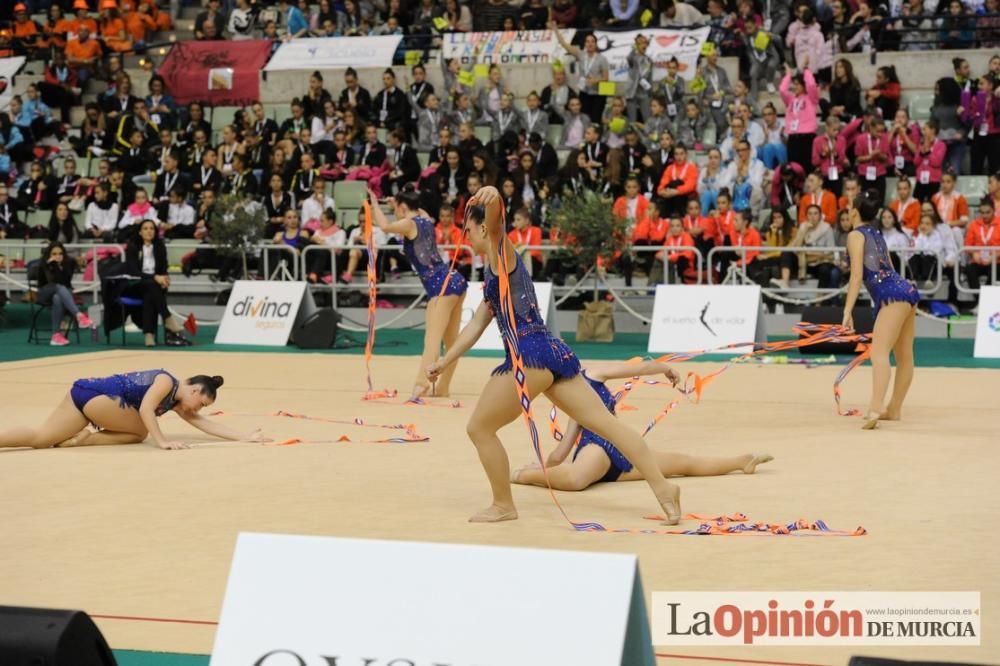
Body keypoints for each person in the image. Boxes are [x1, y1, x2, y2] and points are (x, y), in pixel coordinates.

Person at [425, 186, 682, 524]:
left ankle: (504, 504)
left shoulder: (503, 254)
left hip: (528, 356)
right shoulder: (490, 273)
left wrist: (493, 196)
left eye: (469, 229)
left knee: (479, 429)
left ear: (484, 228)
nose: (467, 236)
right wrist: (445, 360)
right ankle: (664, 489)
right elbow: (475, 325)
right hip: (553, 354)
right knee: (607, 425)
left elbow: (498, 223)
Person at [512, 361, 772, 490]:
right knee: (577, 478)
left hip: (624, 451)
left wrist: (664, 367)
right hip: (597, 449)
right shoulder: (571, 399)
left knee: (684, 463)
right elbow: (561, 452)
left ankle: (741, 461)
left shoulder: (592, 375)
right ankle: (521, 476)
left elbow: (636, 368)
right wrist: (540, 468)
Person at [0, 372, 269, 451]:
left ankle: (84, 438)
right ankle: (87, 438)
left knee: (41, 439)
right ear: (195, 391)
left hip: (81, 393)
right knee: (142, 429)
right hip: (97, 397)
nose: (198, 409)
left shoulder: (178, 402)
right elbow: (145, 408)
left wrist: (243, 437)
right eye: (202, 403)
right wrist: (162, 441)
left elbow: (206, 425)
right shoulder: (166, 381)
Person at [369, 189, 467, 399]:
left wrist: (376, 204)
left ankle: (421, 387)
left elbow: (385, 226)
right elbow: (417, 209)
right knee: (451, 342)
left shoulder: (410, 223)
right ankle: (442, 388)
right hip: (454, 280)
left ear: (403, 208)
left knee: (432, 340)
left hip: (440, 287)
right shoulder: (425, 219)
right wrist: (398, 202)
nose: (395, 212)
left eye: (397, 209)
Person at [842, 191, 920, 429]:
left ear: (854, 210)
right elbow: (890, 267)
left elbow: (856, 276)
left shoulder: (855, 235)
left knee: (879, 353)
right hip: (906, 291)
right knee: (904, 356)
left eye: (848, 205)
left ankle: (876, 408)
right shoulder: (876, 233)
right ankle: (893, 409)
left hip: (891, 295)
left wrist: (847, 310)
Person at [124, 219, 193, 347]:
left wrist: (165, 278)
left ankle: (149, 335)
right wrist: (155, 277)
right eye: (145, 228)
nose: (149, 231)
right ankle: (168, 319)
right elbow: (133, 271)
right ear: (140, 232)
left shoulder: (159, 246)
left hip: (153, 285)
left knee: (150, 293)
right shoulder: (133, 246)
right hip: (135, 284)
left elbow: (163, 268)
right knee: (151, 285)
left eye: (152, 228)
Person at [36, 241, 94, 346]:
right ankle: (79, 315)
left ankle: (55, 336)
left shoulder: (68, 263)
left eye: (60, 253)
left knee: (57, 297)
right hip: (45, 293)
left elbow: (65, 281)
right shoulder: (44, 263)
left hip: (62, 294)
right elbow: (50, 282)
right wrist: (51, 265)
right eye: (54, 254)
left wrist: (59, 266)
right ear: (49, 254)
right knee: (58, 288)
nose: (57, 256)